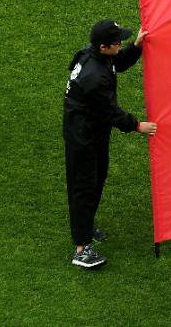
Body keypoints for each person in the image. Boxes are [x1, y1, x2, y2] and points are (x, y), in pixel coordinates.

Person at [63, 19, 157, 269]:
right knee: (83, 187)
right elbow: (110, 112)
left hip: (94, 132)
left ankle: (86, 225)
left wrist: (136, 46)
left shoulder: (99, 57)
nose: (120, 45)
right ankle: (81, 249)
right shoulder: (93, 77)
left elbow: (118, 63)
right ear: (103, 46)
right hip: (83, 137)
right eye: (117, 43)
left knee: (97, 178)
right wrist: (138, 126)